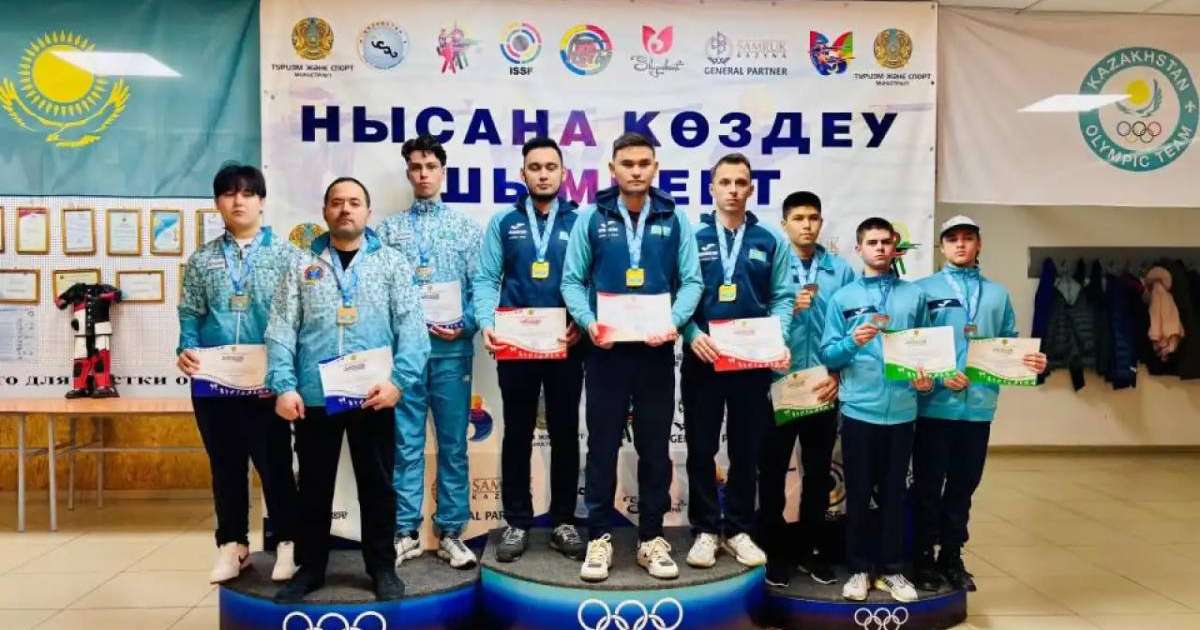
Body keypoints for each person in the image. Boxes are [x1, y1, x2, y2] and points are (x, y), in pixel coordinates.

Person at [266, 177, 429, 603]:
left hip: (374, 395)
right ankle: (311, 568)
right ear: (324, 211)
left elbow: (412, 330)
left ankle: (381, 568)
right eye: (336, 202)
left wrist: (398, 383)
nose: (345, 209)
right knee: (314, 487)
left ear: (367, 213)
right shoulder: (301, 264)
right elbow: (282, 328)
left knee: (378, 486)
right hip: (314, 397)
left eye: (354, 202)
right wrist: (283, 385)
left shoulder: (391, 263)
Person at [562, 132, 703, 582]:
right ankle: (599, 537)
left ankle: (650, 538)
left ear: (655, 167)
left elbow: (693, 282)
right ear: (613, 169)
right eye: (628, 163)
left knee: (655, 450)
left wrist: (675, 323)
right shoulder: (592, 216)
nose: (636, 170)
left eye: (644, 163)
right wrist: (588, 323)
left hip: (656, 352)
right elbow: (570, 281)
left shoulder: (674, 218)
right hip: (605, 352)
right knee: (601, 446)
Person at [176, 163, 301, 584]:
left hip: (266, 381)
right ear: (218, 204)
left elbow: (298, 318)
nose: (238, 201)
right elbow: (190, 313)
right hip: (214, 383)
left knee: (275, 464)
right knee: (225, 467)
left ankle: (287, 542)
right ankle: (232, 546)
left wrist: (287, 373)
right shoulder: (203, 259)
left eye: (247, 193)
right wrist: (186, 348)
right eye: (229, 194)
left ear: (261, 201)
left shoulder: (288, 256)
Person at [912, 215, 1048, 592]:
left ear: (979, 245)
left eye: (967, 238)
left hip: (978, 408)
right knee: (927, 485)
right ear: (941, 247)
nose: (960, 245)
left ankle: (952, 557)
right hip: (934, 408)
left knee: (963, 486)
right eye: (952, 239)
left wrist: (1029, 361)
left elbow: (1007, 341)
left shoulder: (997, 294)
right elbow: (915, 345)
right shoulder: (922, 290)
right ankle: (921, 557)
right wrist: (938, 377)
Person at [472, 137, 586, 562]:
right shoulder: (504, 222)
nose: (542, 174)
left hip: (566, 342)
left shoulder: (581, 220)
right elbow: (485, 279)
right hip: (516, 343)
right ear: (523, 174)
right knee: (517, 432)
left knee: (564, 433)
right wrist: (486, 322)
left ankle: (564, 522)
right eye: (534, 167)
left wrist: (584, 324)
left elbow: (591, 279)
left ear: (562, 174)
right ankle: (517, 522)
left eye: (550, 167)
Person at [680, 153, 791, 570]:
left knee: (747, 450)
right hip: (704, 360)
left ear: (751, 188)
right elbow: (678, 294)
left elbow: (781, 296)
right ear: (711, 188)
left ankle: (740, 528)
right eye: (724, 182)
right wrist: (691, 334)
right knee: (702, 448)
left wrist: (777, 336)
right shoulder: (691, 236)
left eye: (740, 182)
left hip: (751, 362)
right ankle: (706, 530)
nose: (732, 189)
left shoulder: (768, 241)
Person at [377, 135, 483, 570]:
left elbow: (482, 289)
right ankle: (405, 531)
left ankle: (452, 532)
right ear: (408, 173)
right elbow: (380, 293)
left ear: (442, 172)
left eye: (430, 166)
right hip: (405, 358)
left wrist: (466, 324)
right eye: (415, 166)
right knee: (405, 444)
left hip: (451, 353)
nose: (422, 173)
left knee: (455, 444)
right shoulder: (387, 230)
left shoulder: (465, 229)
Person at [819, 217, 932, 604]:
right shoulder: (843, 298)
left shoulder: (914, 296)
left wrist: (926, 379)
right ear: (859, 249)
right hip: (859, 412)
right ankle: (858, 569)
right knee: (860, 493)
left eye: (886, 242)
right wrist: (851, 341)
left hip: (902, 412)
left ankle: (893, 569)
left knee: (894, 496)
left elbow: (928, 350)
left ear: (895, 246)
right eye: (872, 242)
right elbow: (828, 353)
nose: (880, 248)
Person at [758, 191, 856, 588]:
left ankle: (814, 551)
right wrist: (782, 310)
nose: (807, 225)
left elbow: (852, 328)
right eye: (798, 218)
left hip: (822, 385)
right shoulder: (769, 265)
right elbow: (750, 320)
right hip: (777, 384)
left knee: (818, 474)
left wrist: (839, 374)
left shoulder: (840, 271)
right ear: (784, 224)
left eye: (813, 217)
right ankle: (773, 550)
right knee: (772, 473)